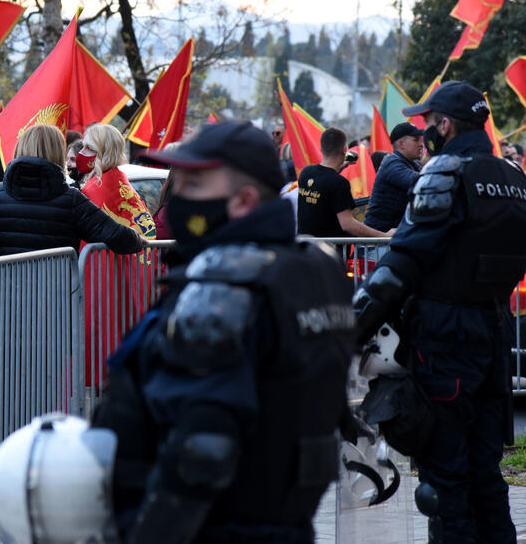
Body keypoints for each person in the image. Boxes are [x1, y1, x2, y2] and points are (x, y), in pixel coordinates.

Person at [91, 120, 357, 542]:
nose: (179, 200)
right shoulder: (316, 269)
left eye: (195, 185)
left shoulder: (224, 294)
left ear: (243, 200)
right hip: (285, 523)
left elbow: (200, 452)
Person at [353, 81, 526, 543]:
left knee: (444, 483)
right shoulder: (515, 179)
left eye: (428, 123)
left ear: (446, 124)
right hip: (494, 334)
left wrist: (349, 323)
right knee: (487, 476)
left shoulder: (445, 173)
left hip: (444, 339)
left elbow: (402, 263)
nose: (425, 132)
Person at [0, 124, 143, 264]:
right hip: (56, 307)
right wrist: (139, 239)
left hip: (5, 306)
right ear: (57, 152)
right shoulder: (72, 200)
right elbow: (119, 237)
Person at [297, 127, 390, 238]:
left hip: (307, 248)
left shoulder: (306, 173)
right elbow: (348, 225)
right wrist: (384, 236)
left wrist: (342, 165)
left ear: (321, 148)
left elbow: (325, 180)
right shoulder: (339, 183)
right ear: (344, 149)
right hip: (329, 251)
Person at [79, 123, 156, 238]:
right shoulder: (117, 178)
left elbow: (90, 237)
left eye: (90, 148)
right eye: (82, 146)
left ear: (105, 153)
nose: (82, 152)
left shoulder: (95, 188)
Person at [363, 122, 425, 232]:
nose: (421, 144)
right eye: (416, 140)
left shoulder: (414, 163)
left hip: (393, 239)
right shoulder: (392, 163)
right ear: (401, 144)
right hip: (378, 243)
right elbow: (423, 182)